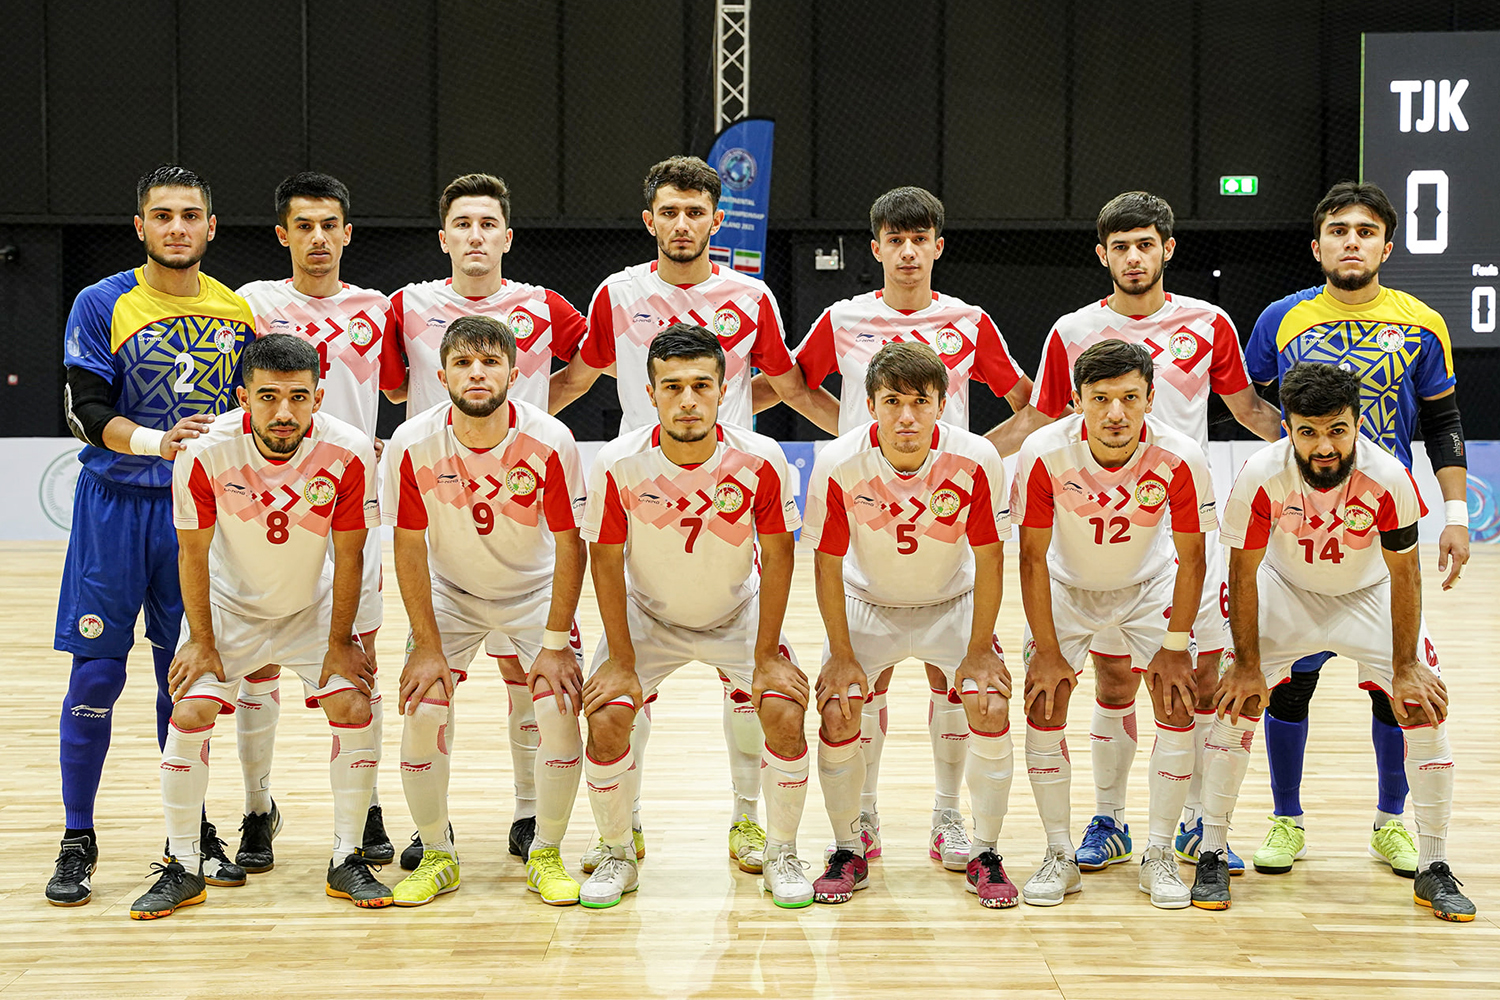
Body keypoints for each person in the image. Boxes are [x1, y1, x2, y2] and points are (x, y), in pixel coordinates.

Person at [554, 155, 834, 875]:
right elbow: (582, 376)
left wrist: (860, 433)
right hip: (645, 490)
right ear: (650, 220)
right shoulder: (618, 294)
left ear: (717, 220)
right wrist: (513, 428)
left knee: (756, 694)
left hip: (726, 491)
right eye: (669, 212)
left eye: (695, 212)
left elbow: (789, 388)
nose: (682, 224)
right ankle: (623, 835)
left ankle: (752, 828)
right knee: (615, 701)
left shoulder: (752, 297)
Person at [1010, 191, 1282, 875]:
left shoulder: (1209, 321)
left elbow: (1246, 408)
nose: (1135, 257)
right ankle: (1110, 818)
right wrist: (960, 460)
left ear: (1167, 248)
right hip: (1100, 530)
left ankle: (1193, 821)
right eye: (1121, 246)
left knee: (1196, 675)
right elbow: (1039, 425)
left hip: (1183, 523)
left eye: (1146, 244)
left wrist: (1314, 451)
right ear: (1103, 255)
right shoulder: (1072, 330)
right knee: (1110, 680)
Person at [775, 187, 1034, 871]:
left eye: (921, 237)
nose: (910, 250)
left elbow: (1026, 405)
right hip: (872, 523)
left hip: (944, 517)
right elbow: (793, 384)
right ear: (877, 248)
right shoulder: (844, 316)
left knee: (960, 690)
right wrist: (847, 440)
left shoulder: (968, 321)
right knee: (866, 689)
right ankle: (861, 819)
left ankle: (950, 817)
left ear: (938, 246)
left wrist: (981, 456)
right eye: (896, 238)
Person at [1242, 181, 1471, 879]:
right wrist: (1284, 461)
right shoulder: (1281, 318)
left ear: (1385, 246)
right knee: (1289, 685)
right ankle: (1286, 820)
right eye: (1337, 230)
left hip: (1383, 527)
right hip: (1298, 528)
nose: (1351, 240)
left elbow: (1443, 424)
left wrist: (1455, 515)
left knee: (1395, 685)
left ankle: (1391, 823)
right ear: (1317, 247)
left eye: (1364, 231)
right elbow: (1247, 401)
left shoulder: (1421, 322)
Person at [1196, 361, 1474, 921]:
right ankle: (1211, 850)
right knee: (1238, 700)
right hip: (1286, 589)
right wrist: (1247, 664)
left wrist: (1405, 665)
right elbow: (1243, 573)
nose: (1324, 446)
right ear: (1288, 428)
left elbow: (1405, 575)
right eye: (1308, 431)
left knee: (1421, 703)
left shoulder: (1391, 476)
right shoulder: (1259, 474)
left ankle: (1434, 866)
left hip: (1367, 591)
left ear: (1357, 423)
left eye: (1337, 430)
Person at [50, 165, 255, 906]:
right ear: (140, 227)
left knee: (187, 678)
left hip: (196, 520)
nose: (176, 226)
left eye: (189, 214)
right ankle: (78, 836)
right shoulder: (102, 301)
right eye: (161, 215)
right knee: (97, 676)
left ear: (209, 227)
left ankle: (188, 830)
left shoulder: (238, 314)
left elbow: (252, 413)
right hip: (114, 509)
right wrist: (154, 443)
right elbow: (83, 405)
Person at [130, 335, 387, 918]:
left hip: (310, 608)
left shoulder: (347, 452)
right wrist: (198, 639)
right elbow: (191, 555)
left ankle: (347, 857)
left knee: (353, 706)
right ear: (243, 395)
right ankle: (183, 862)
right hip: (230, 609)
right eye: (267, 397)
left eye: (299, 397)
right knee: (190, 711)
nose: (283, 412)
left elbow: (350, 557)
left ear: (319, 397)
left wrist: (341, 641)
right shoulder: (207, 451)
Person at [381, 172, 589, 868]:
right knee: (428, 694)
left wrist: (538, 411)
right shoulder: (406, 305)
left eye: (487, 224)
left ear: (506, 235)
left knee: (534, 690)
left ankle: (534, 817)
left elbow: (591, 363)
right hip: (444, 513)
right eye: (461, 225)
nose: (475, 236)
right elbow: (389, 384)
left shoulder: (542, 305)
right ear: (445, 238)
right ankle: (435, 840)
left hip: (519, 515)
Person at [576, 324, 810, 909]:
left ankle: (776, 847)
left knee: (782, 711)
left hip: (738, 613)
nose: (687, 400)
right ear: (650, 393)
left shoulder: (760, 459)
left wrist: (765, 654)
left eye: (701, 385)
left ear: (724, 389)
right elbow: (603, 559)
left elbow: (780, 555)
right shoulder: (618, 463)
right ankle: (616, 851)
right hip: (648, 619)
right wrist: (623, 659)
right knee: (605, 720)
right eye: (672, 386)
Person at [800, 342, 1017, 909]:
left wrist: (978, 650)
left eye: (920, 402)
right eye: (892, 401)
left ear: (942, 404)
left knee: (988, 701)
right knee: (841, 704)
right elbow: (824, 561)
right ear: (870, 404)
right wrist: (841, 653)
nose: (906, 416)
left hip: (952, 601)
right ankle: (852, 840)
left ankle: (973, 841)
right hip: (868, 602)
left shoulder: (976, 458)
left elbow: (992, 557)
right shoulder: (839, 462)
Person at [1011, 339, 1217, 909]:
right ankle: (1058, 853)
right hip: (1066, 588)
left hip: (1149, 588)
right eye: (1100, 398)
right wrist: (1047, 649)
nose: (1115, 413)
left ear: (1151, 398)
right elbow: (1030, 557)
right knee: (1044, 701)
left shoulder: (1180, 456)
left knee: (1177, 700)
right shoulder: (1042, 452)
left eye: (1130, 397)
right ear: (1077, 400)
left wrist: (1176, 646)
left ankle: (1156, 853)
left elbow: (1193, 558)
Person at [234, 171, 400, 871]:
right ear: (283, 235)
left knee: (355, 668)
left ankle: (363, 810)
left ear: (348, 232)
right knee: (256, 667)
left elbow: (403, 389)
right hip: (264, 509)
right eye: (304, 226)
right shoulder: (252, 304)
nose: (319, 238)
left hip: (351, 513)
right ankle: (254, 807)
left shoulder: (378, 308)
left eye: (330, 224)